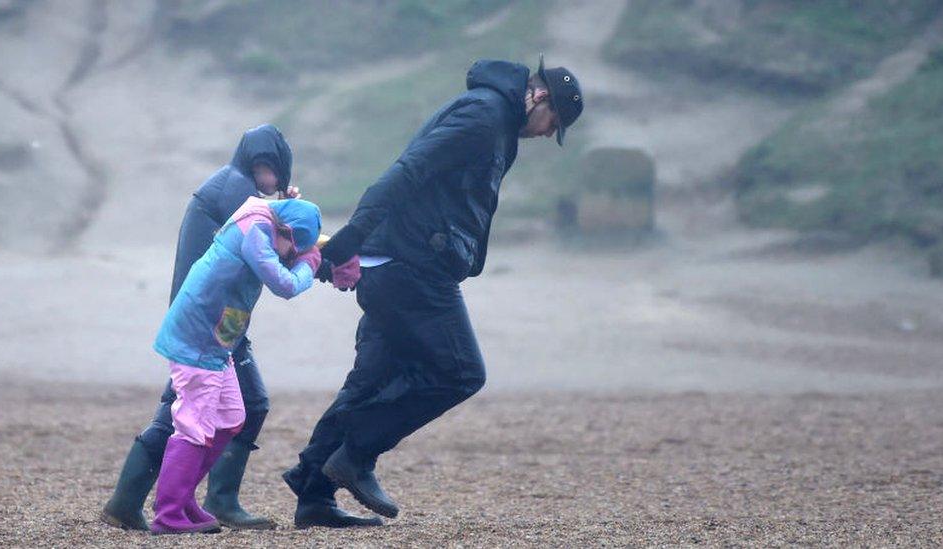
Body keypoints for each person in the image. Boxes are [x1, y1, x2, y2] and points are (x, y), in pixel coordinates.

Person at [282, 54, 584, 526]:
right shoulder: (483, 117)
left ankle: (314, 493)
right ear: (540, 95)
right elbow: (406, 173)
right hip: (411, 266)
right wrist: (347, 242)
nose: (549, 133)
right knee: (461, 372)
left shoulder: (495, 120)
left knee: (373, 378)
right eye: (554, 122)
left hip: (403, 262)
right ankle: (355, 455)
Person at [101, 124, 315, 531]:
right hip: (206, 321)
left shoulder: (233, 184)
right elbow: (273, 258)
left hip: (210, 315)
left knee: (198, 411)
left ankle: (137, 502)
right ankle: (211, 501)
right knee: (228, 407)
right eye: (277, 177)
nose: (276, 188)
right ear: (265, 165)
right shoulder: (238, 191)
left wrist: (285, 209)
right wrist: (306, 244)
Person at [150, 196, 322, 534]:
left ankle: (183, 498)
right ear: (283, 230)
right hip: (197, 338)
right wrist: (310, 264)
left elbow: (283, 254)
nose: (289, 257)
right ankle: (168, 514)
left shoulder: (265, 223)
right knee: (193, 425)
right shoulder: (255, 231)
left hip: (217, 341)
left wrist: (305, 249)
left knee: (230, 419)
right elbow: (285, 285)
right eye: (292, 250)